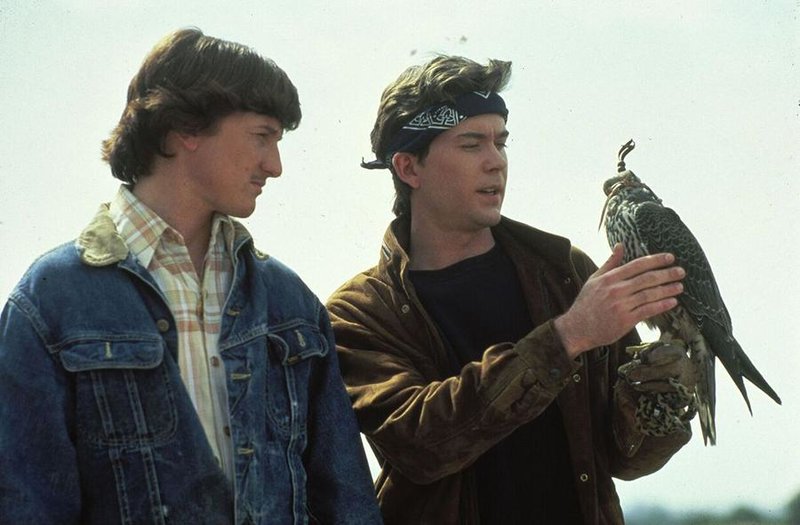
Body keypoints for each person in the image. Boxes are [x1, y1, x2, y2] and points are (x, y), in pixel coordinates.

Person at [0, 28, 381, 525]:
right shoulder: (52, 301)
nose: (275, 166)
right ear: (186, 128)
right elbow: (27, 503)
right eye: (262, 136)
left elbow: (346, 501)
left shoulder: (289, 302)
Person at [327, 55, 697, 524]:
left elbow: (626, 459)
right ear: (408, 167)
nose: (495, 162)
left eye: (500, 142)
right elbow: (421, 447)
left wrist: (658, 398)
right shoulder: (360, 313)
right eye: (471, 144)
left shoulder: (565, 273)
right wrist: (565, 338)